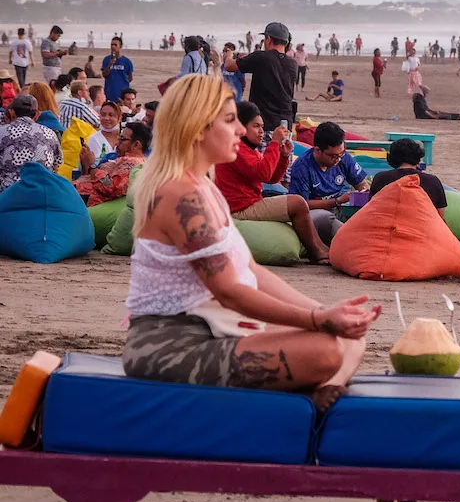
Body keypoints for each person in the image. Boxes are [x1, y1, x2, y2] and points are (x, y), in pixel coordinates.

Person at [123, 74, 380, 413]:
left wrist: (326, 313)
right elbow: (231, 291)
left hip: (216, 327)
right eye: (230, 121)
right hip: (170, 346)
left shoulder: (203, 187)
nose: (241, 131)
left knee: (350, 341)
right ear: (198, 128)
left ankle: (326, 390)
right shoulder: (181, 196)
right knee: (327, 350)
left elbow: (252, 271)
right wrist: (318, 320)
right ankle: (324, 385)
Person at [214, 101, 330, 264]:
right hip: (240, 208)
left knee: (296, 203)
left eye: (262, 127)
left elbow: (271, 178)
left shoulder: (248, 150)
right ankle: (316, 251)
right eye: (256, 126)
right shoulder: (237, 148)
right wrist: (274, 143)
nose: (261, 132)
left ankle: (320, 248)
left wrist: (283, 157)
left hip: (251, 202)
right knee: (297, 203)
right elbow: (263, 172)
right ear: (240, 126)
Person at [288, 122, 369, 245]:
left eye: (340, 154)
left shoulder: (343, 158)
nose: (337, 159)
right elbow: (300, 205)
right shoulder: (302, 167)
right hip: (314, 215)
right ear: (317, 150)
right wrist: (337, 201)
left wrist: (363, 192)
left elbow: (362, 184)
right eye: (332, 156)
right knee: (327, 219)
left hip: (339, 210)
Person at [225, 22, 296, 132]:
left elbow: (229, 66)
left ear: (268, 39)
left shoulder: (262, 57)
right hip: (285, 123)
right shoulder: (292, 64)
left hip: (263, 123)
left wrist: (229, 56)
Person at [74, 121, 151, 206]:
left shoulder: (134, 164)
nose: (117, 143)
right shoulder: (119, 157)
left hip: (87, 201)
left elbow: (109, 188)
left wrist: (92, 165)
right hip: (78, 193)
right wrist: (86, 165)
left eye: (122, 139)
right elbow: (89, 178)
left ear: (136, 145)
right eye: (119, 138)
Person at [0, 95, 63, 192]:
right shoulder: (50, 133)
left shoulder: (2, 132)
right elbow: (56, 165)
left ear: (12, 113)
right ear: (37, 114)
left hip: (8, 193)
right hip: (42, 192)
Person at [370, 138, 447, 217]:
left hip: (387, 226)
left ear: (391, 158)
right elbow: (440, 216)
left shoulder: (381, 179)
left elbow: (371, 210)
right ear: (418, 158)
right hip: (423, 227)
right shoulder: (432, 181)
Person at [80, 100, 122, 168]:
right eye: (103, 115)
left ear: (119, 118)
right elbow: (95, 165)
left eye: (111, 115)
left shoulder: (124, 138)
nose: (106, 118)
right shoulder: (94, 138)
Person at [101, 37, 134, 103]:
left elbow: (130, 78)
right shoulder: (106, 60)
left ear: (120, 46)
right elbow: (104, 75)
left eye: (115, 45)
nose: (113, 47)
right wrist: (110, 64)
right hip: (109, 93)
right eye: (112, 45)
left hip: (122, 94)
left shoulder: (127, 61)